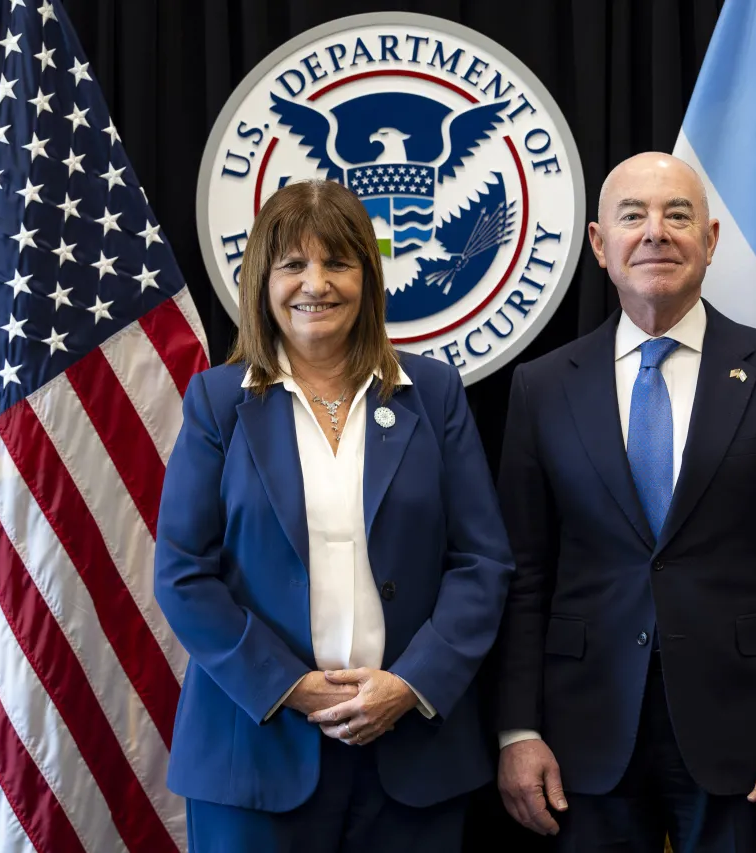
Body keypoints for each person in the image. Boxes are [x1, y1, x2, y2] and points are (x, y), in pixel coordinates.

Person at [494, 152, 756, 852]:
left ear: (712, 240)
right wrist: (518, 728)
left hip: (748, 739)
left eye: (677, 215)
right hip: (583, 736)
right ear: (600, 245)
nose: (655, 232)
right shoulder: (542, 388)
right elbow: (524, 571)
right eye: (633, 216)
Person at [154, 179, 514, 852]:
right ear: (264, 279)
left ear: (367, 278)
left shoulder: (431, 393)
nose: (314, 283)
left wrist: (411, 683)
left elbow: (481, 561)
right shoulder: (218, 402)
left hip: (413, 754)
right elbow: (182, 573)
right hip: (254, 756)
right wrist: (290, 686)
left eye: (337, 263)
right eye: (293, 265)